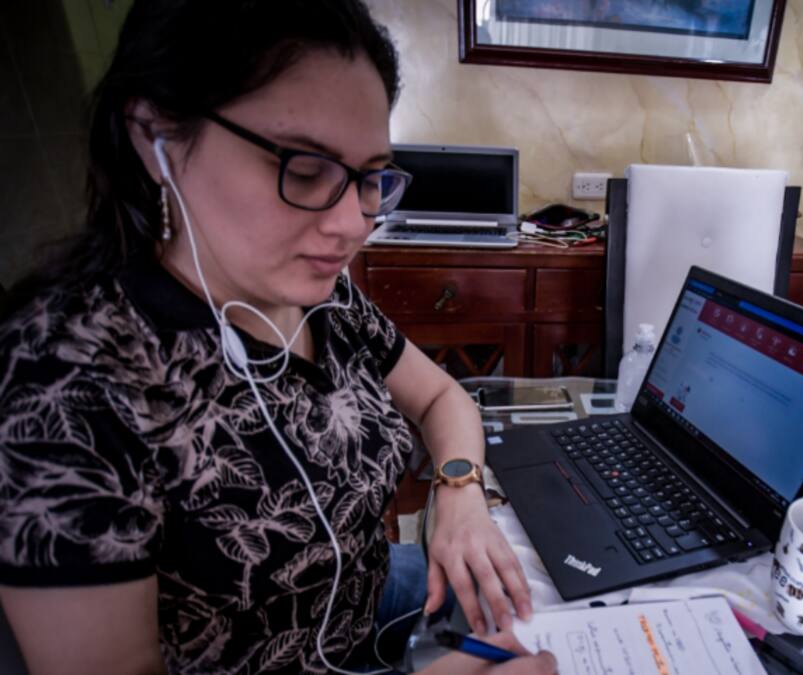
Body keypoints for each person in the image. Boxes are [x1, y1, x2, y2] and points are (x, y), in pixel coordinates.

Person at [0, 1, 553, 673]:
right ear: (155, 137)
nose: (353, 225)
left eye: (370, 178)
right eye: (306, 168)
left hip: (369, 604)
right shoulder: (64, 386)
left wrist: (461, 496)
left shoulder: (324, 296)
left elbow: (441, 397)